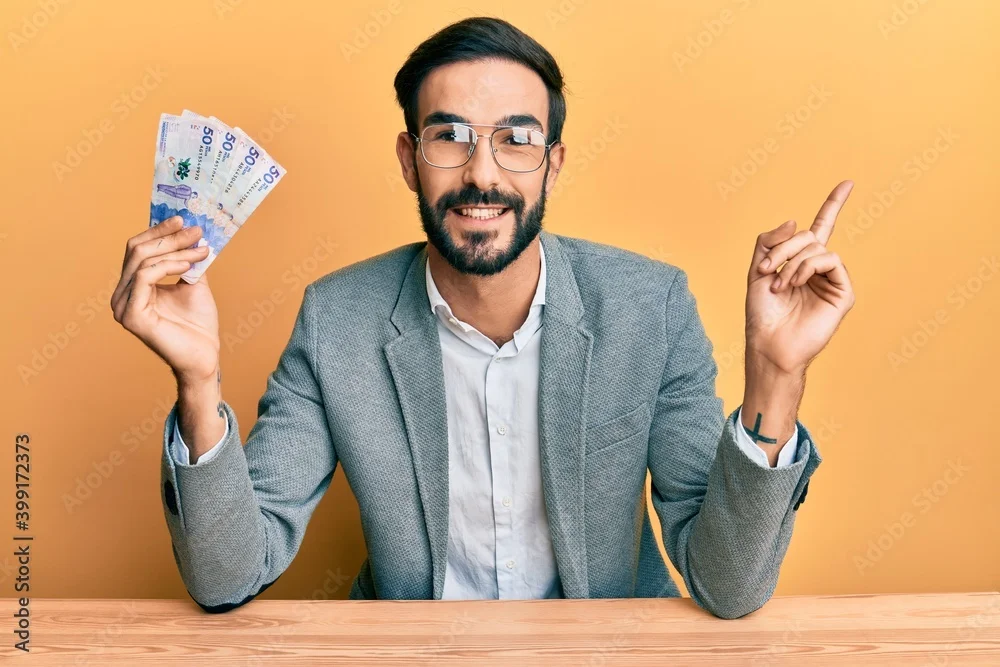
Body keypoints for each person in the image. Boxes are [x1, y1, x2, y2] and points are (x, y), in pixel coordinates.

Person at [111, 17, 854, 617]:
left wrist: (777, 377)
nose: (483, 173)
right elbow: (228, 575)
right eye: (450, 135)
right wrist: (199, 380)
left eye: (516, 139)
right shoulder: (336, 319)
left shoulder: (648, 308)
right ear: (410, 158)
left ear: (552, 165)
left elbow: (728, 584)